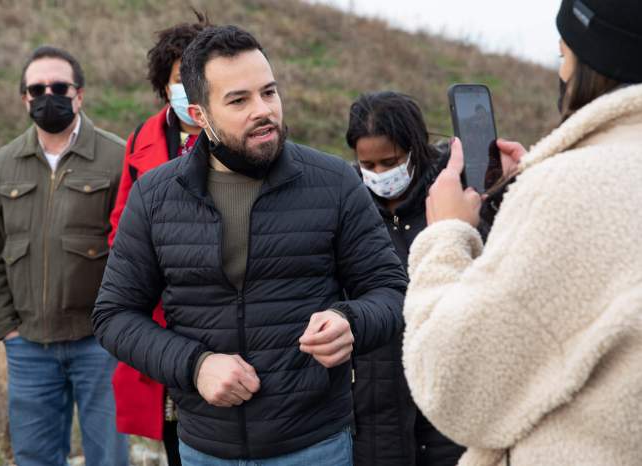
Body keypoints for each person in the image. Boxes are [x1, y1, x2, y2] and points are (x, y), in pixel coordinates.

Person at [92, 25, 408, 465]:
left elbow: (393, 292)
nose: (264, 110)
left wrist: (351, 321)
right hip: (205, 448)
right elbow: (113, 315)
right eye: (239, 100)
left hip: (316, 446)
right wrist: (195, 365)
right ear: (200, 115)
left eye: (269, 92)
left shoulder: (334, 183)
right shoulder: (155, 196)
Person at [401, 1, 642, 465]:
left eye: (562, 55)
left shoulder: (570, 190)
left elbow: (456, 385)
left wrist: (446, 234)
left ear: (593, 64)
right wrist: (532, 182)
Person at [0, 46, 129, 466]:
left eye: (59, 87)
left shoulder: (117, 158)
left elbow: (133, 253)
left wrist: (117, 326)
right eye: (36, 89)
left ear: (79, 94)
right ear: (24, 97)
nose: (48, 96)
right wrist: (7, 327)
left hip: (99, 345)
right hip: (29, 347)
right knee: (35, 457)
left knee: (108, 457)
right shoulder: (2, 166)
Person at [108, 13, 208, 465]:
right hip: (162, 311)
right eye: (176, 78)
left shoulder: (239, 133)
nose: (186, 86)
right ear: (163, 86)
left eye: (196, 75)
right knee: (175, 434)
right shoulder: (141, 140)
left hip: (221, 308)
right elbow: (120, 225)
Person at [346, 91, 465, 466]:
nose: (379, 175)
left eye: (390, 162)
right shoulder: (346, 207)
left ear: (415, 149)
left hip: (448, 405)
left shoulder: (457, 198)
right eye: (369, 164)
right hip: (374, 407)